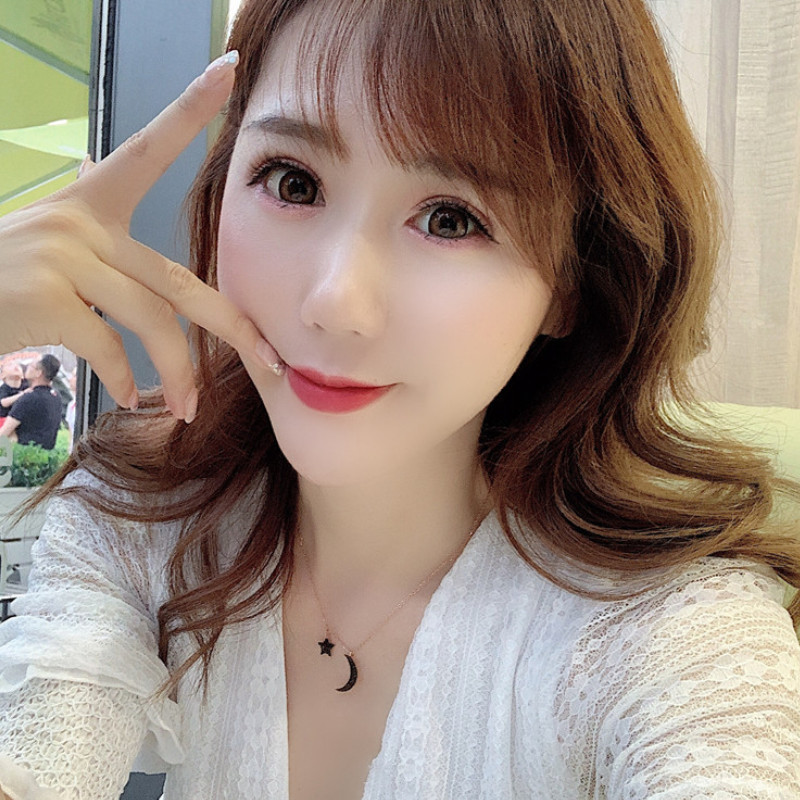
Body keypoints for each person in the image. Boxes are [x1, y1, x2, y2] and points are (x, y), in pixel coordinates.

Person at [0, 1, 799, 799]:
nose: (336, 301)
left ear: (572, 284)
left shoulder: (673, 638)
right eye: (293, 182)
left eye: (451, 219)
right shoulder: (144, 525)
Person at [0, 355, 62, 450]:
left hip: (25, 454)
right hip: (45, 454)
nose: (27, 367)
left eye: (31, 365)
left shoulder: (28, 399)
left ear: (38, 373)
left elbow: (3, 433)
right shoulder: (56, 396)